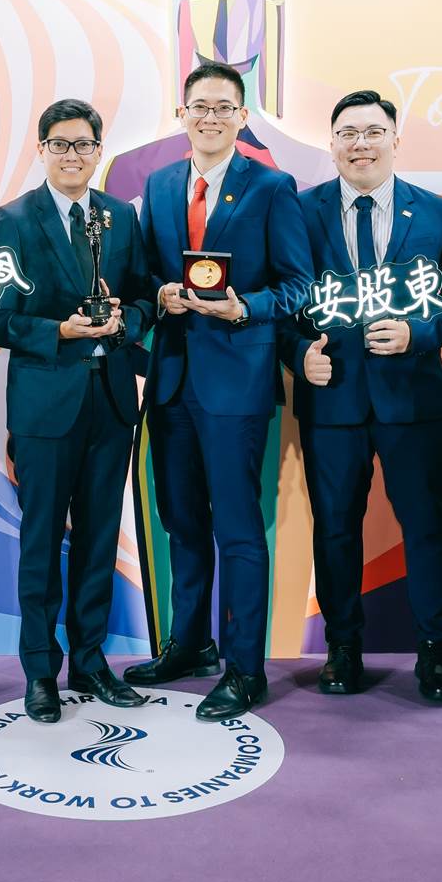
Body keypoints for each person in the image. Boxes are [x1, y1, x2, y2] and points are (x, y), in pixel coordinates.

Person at [127, 62, 313, 721]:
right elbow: (146, 273)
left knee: (237, 528)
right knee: (180, 522)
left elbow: (297, 285)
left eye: (223, 107)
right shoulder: (158, 184)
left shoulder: (271, 186)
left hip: (236, 382)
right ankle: (189, 644)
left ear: (241, 117)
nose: (209, 117)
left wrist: (244, 308)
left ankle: (244, 668)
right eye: (199, 106)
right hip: (171, 380)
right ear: (181, 114)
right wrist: (159, 294)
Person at [281, 90, 442, 702]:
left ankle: (435, 652)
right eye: (347, 133)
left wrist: (421, 333)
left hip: (412, 399)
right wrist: (296, 353)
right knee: (336, 528)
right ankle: (342, 648)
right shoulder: (298, 210)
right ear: (332, 142)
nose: (360, 144)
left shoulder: (438, 213)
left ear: (395, 140)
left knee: (427, 527)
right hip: (332, 398)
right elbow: (279, 297)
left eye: (372, 132)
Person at [0, 99, 155, 723]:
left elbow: (144, 299)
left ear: (98, 150)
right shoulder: (12, 220)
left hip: (111, 401)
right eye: (60, 144)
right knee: (41, 540)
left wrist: (125, 319)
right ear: (42, 150)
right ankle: (39, 671)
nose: (72, 155)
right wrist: (60, 330)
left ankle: (89, 660)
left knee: (100, 538)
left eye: (83, 144)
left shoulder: (120, 216)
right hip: (45, 406)